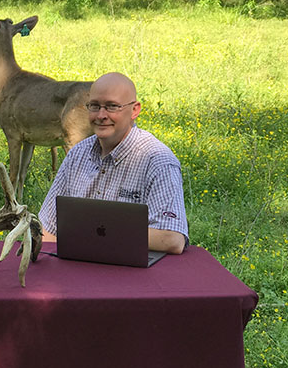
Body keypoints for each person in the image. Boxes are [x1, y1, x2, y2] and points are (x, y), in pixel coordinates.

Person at [39, 72, 188, 254]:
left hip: (133, 275)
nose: (101, 115)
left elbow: (172, 238)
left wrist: (95, 233)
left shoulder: (158, 162)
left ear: (135, 110)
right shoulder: (77, 154)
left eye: (112, 107)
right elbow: (47, 229)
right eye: (94, 106)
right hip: (78, 270)